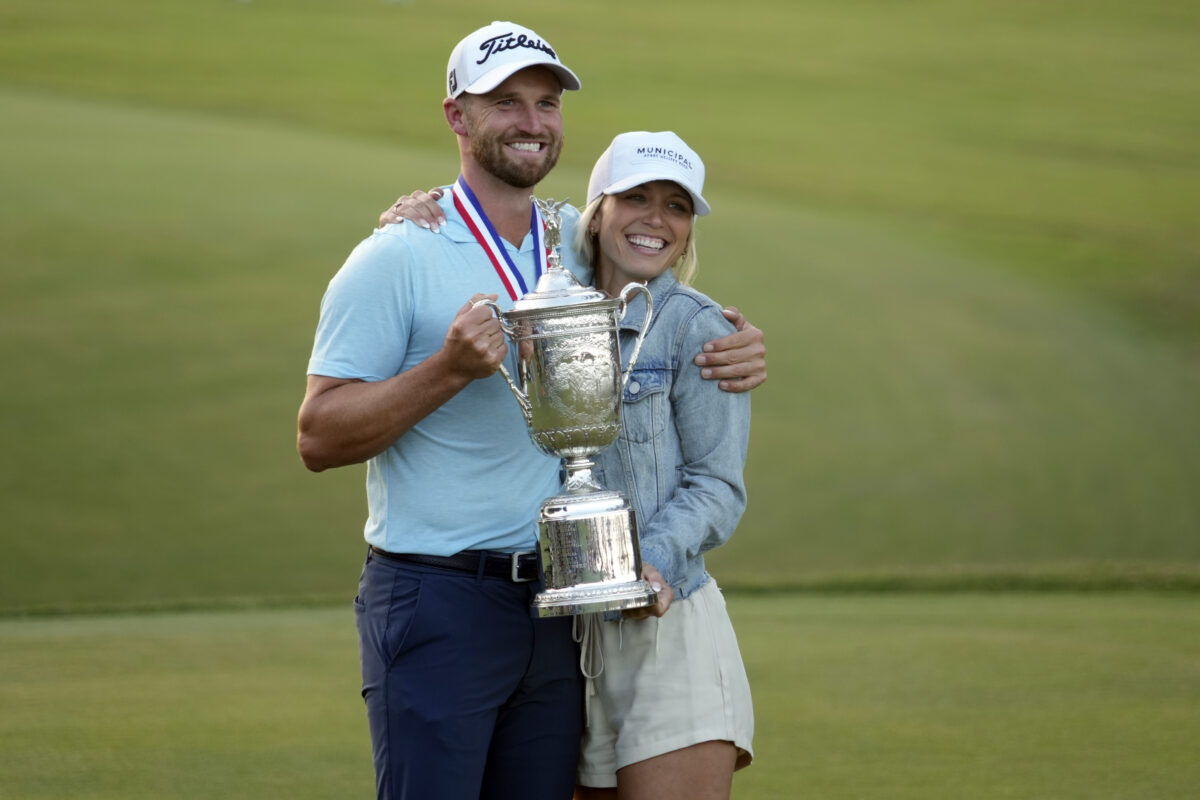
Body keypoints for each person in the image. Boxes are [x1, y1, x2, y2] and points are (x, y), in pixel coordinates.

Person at [298, 21, 765, 800]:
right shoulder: (396, 255)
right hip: (441, 595)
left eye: (545, 103)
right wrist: (446, 370)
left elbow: (658, 283)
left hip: (560, 609)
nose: (530, 121)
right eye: (505, 102)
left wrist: (740, 342)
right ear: (457, 116)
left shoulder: (571, 245)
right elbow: (317, 436)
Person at [387, 131, 754, 800]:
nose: (656, 220)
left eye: (676, 206)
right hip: (562, 640)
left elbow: (718, 486)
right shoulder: (550, 299)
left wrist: (653, 564)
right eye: (635, 197)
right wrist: (418, 212)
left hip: (664, 628)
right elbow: (493, 208)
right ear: (597, 209)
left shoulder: (698, 326)